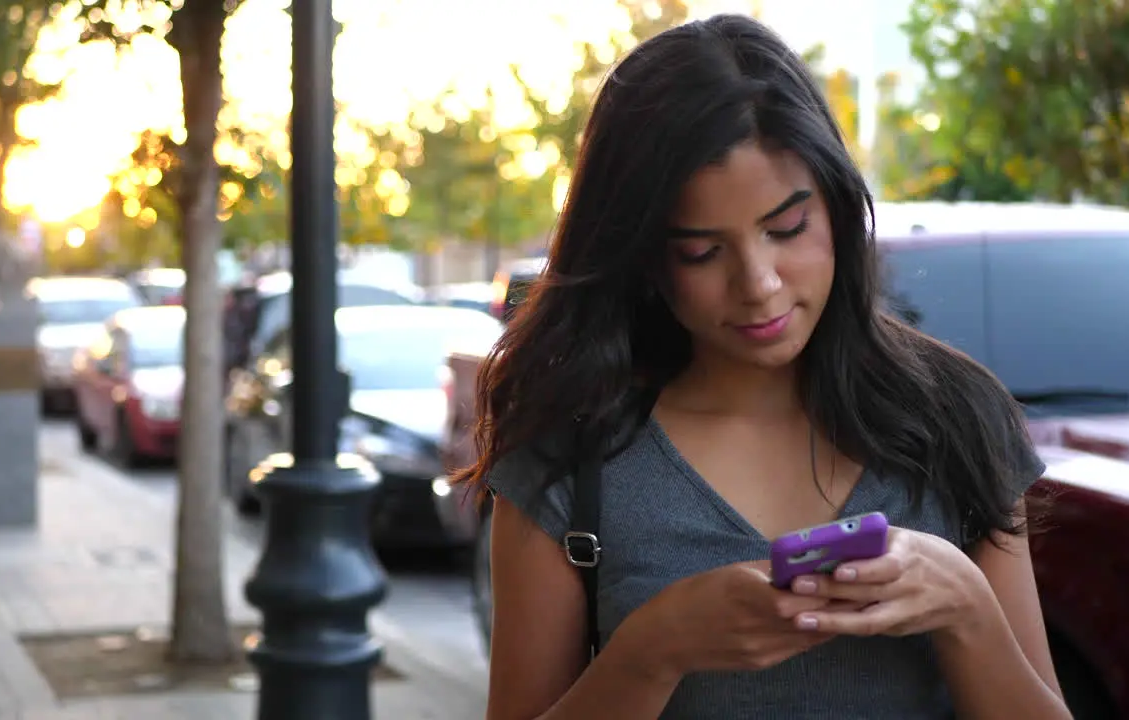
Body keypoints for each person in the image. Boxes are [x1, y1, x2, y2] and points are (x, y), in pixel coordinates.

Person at [457, 13, 1072, 720]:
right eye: (702, 251)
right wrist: (652, 651)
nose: (760, 285)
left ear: (838, 209)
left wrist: (968, 610)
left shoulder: (955, 415)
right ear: (647, 256)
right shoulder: (569, 447)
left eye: (787, 230)